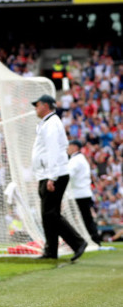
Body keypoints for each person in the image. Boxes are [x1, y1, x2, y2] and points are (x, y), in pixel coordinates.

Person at [31, 95, 87, 261]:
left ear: (46, 106)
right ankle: (51, 251)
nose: (35, 108)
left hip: (54, 175)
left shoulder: (52, 124)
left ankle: (77, 242)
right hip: (48, 174)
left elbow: (54, 151)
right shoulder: (48, 123)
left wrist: (52, 177)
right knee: (48, 214)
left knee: (50, 214)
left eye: (37, 105)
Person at [67, 140, 100, 245]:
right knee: (87, 219)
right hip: (83, 193)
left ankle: (79, 241)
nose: (67, 148)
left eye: (69, 146)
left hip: (78, 195)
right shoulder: (80, 159)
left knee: (74, 219)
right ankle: (94, 240)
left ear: (75, 147)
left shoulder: (75, 160)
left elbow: (68, 175)